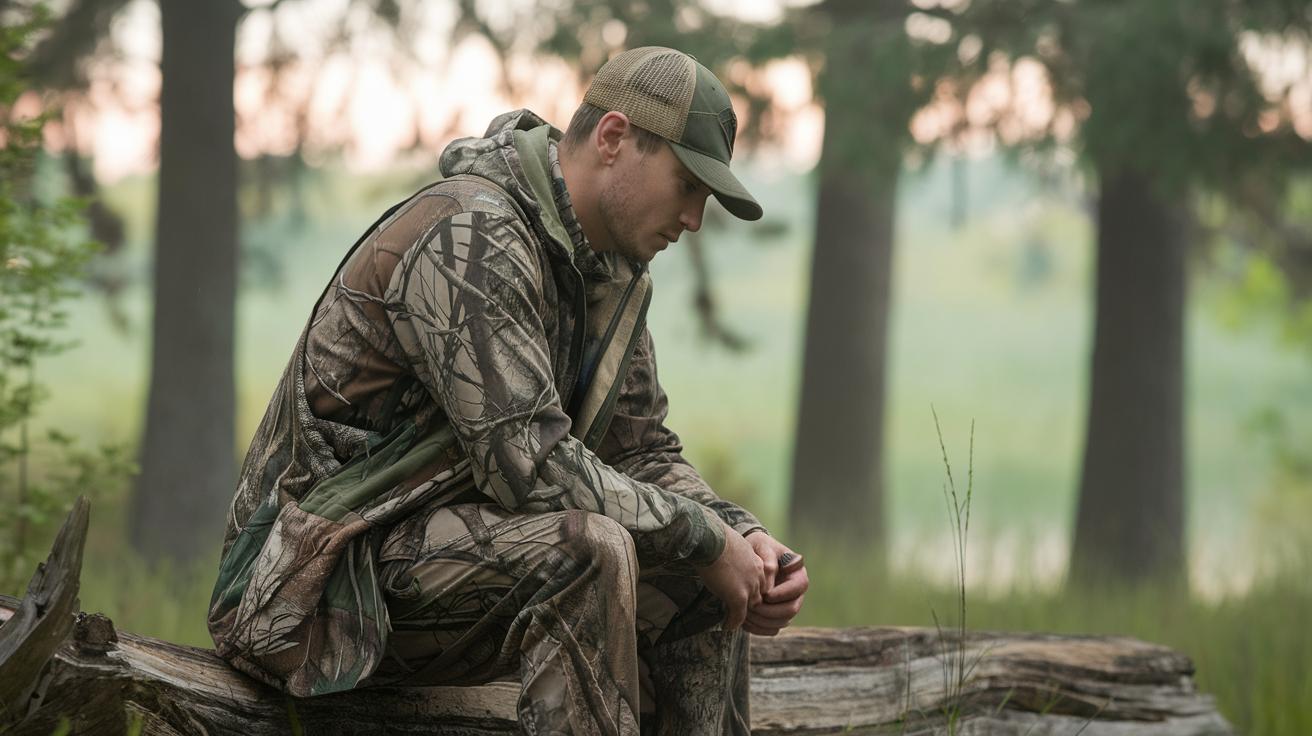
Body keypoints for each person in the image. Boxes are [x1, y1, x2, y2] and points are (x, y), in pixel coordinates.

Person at [208, 46, 808, 734]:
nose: (696, 220)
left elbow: (640, 451)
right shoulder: (469, 235)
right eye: (687, 186)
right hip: (311, 585)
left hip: (442, 564)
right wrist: (703, 537)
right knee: (590, 549)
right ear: (614, 139)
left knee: (699, 577)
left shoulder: (610, 273)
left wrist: (742, 539)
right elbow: (532, 467)